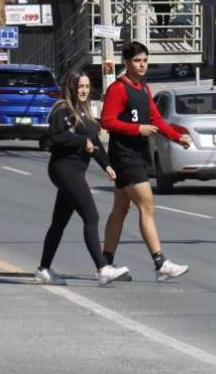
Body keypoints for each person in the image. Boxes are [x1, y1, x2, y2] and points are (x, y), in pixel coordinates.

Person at [100, 41, 192, 282]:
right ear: (126, 63)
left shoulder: (143, 89)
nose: (142, 65)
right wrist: (136, 129)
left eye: (145, 61)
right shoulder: (118, 89)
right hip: (124, 156)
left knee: (120, 209)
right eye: (137, 61)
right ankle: (160, 263)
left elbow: (156, 119)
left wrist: (176, 137)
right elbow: (107, 121)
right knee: (147, 205)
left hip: (138, 155)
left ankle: (105, 264)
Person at [35, 71, 129, 286]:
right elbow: (55, 138)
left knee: (59, 223)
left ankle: (43, 269)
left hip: (75, 170)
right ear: (71, 87)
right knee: (91, 216)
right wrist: (80, 141)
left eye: (87, 86)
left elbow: (94, 142)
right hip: (64, 169)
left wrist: (107, 166)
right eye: (80, 86)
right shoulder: (62, 109)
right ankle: (102, 268)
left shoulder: (84, 112)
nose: (84, 90)